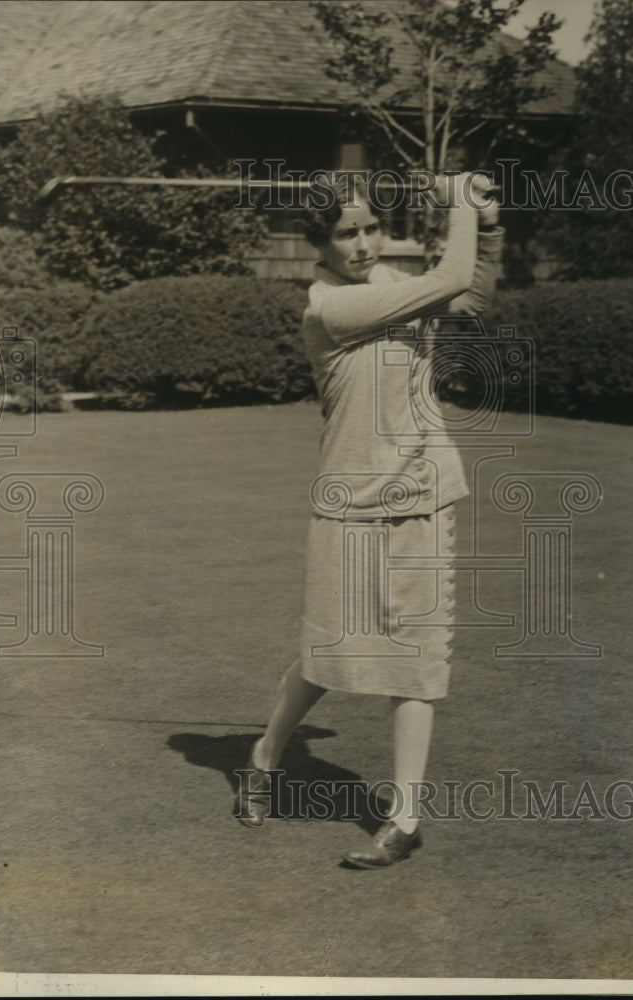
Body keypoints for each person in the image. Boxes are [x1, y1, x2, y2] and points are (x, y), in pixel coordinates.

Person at [236, 171, 504, 868]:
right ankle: (264, 758)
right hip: (347, 502)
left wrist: (490, 229)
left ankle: (404, 818)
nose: (361, 244)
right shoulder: (329, 308)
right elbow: (447, 275)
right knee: (327, 656)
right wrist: (455, 201)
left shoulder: (390, 281)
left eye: (369, 229)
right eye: (345, 233)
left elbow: (468, 296)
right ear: (318, 244)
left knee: (416, 659)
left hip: (421, 493)